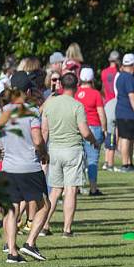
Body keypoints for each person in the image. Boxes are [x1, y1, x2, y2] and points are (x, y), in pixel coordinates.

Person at [0, 71, 50, 263]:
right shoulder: (32, 111)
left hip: (8, 166)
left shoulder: (1, 112)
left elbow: (0, 140)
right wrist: (44, 153)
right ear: (28, 91)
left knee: (11, 209)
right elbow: (37, 140)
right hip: (29, 166)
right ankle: (30, 243)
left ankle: (12, 251)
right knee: (45, 205)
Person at [41, 73, 102, 236]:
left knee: (55, 191)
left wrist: (42, 151)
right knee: (71, 190)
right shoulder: (77, 106)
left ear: (60, 85)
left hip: (54, 150)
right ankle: (67, 229)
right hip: (72, 150)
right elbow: (84, 131)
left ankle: (45, 225)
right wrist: (94, 141)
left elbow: (44, 130)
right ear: (76, 86)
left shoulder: (50, 104)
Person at [74, 67, 107, 196]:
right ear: (92, 79)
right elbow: (101, 113)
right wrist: (104, 129)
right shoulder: (96, 94)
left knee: (78, 159)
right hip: (94, 127)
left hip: (78, 127)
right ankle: (93, 188)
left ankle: (75, 187)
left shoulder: (76, 93)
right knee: (92, 159)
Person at [114, 53, 134, 171]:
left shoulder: (121, 76)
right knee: (126, 139)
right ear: (133, 65)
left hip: (123, 112)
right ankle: (125, 164)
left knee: (130, 138)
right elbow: (132, 96)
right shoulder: (128, 78)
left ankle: (129, 163)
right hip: (127, 112)